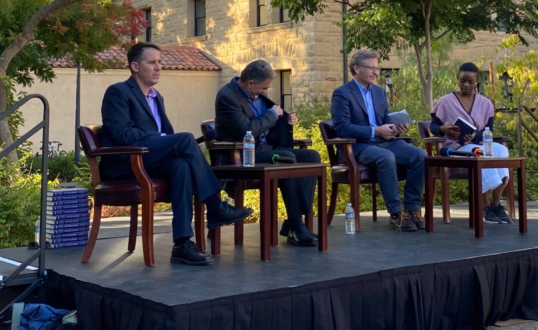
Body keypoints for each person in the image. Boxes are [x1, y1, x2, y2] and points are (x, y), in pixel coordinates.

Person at [100, 43, 252, 266]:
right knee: (185, 139)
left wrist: (162, 139)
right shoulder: (118, 92)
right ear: (134, 66)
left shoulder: (156, 96)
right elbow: (123, 134)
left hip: (149, 159)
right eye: (152, 62)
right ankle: (215, 205)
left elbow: (164, 134)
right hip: (126, 162)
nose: (159, 67)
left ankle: (182, 244)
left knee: (180, 166)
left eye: (160, 62)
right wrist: (160, 139)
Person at [215, 59, 321, 247]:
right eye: (263, 88)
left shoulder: (257, 96)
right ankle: (296, 226)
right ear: (250, 83)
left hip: (265, 151)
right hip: (242, 156)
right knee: (286, 159)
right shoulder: (227, 97)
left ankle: (291, 222)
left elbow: (269, 130)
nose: (265, 92)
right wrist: (272, 115)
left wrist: (285, 121)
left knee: (311, 157)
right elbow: (246, 130)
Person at [330, 49, 427, 232]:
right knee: (386, 157)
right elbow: (342, 128)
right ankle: (397, 214)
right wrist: (375, 130)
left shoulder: (379, 92)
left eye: (377, 68)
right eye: (371, 68)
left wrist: (395, 127)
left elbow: (385, 120)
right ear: (356, 68)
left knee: (420, 155)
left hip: (385, 142)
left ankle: (412, 209)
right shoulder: (342, 93)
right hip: (357, 146)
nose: (376, 72)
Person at [430, 62, 512, 224]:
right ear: (457, 80)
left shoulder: (486, 103)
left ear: (477, 83)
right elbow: (433, 127)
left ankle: (496, 204)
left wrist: (475, 135)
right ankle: (485, 206)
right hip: (456, 149)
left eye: (470, 82)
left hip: (479, 142)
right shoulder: (446, 101)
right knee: (479, 152)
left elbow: (489, 129)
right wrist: (443, 128)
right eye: (462, 81)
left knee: (501, 151)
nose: (466, 85)